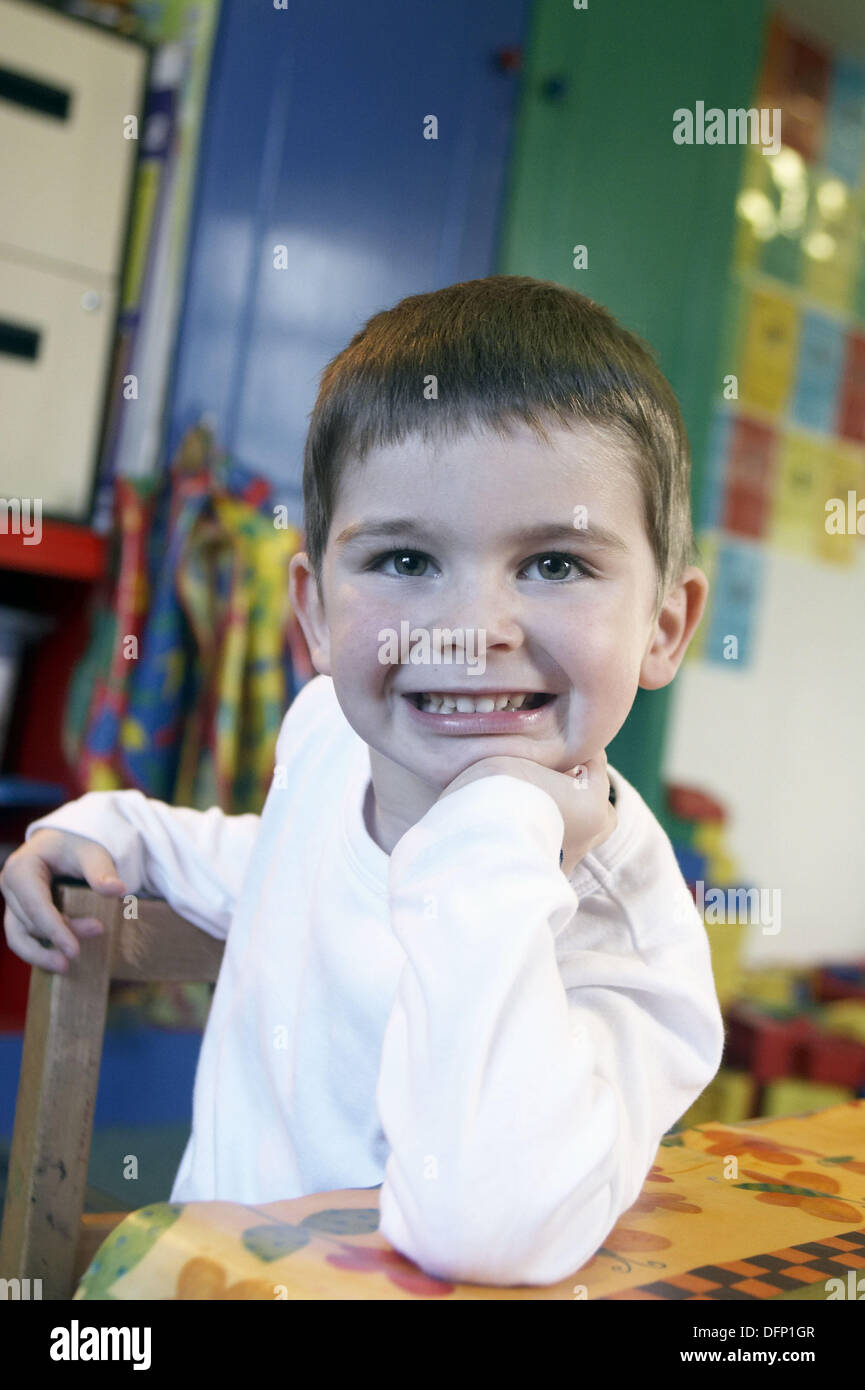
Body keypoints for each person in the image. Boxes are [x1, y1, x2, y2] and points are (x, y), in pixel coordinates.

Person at [2, 275, 723, 1288]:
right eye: (402, 558)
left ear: (664, 624)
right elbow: (282, 869)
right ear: (318, 615)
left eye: (556, 565)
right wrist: (119, 831)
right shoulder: (332, 743)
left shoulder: (629, 939)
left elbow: (484, 1221)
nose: (472, 631)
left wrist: (495, 828)